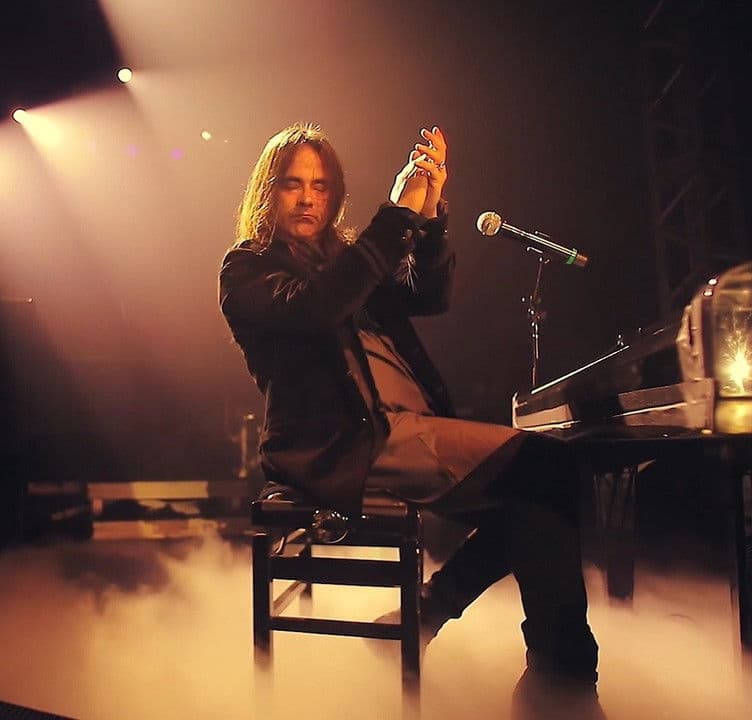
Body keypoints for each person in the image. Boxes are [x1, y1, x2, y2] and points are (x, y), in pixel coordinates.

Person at [218, 123, 601, 713]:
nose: (307, 198)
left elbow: (429, 296)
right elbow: (318, 308)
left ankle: (536, 668)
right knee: (546, 472)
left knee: (540, 494)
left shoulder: (345, 261)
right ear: (268, 191)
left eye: (320, 186)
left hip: (402, 428)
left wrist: (429, 219)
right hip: (341, 443)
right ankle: (558, 681)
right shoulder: (246, 268)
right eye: (293, 184)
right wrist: (396, 216)